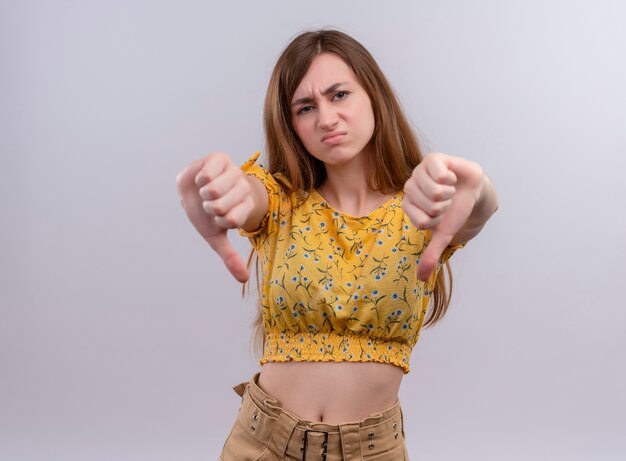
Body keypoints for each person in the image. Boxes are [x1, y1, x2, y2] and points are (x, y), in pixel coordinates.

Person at [176, 29, 498, 461]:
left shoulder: (422, 210)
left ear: (374, 96)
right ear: (291, 126)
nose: (326, 118)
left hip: (372, 451)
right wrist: (222, 188)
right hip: (261, 445)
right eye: (306, 107)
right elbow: (248, 196)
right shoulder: (279, 201)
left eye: (340, 94)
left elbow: (477, 207)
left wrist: (476, 187)